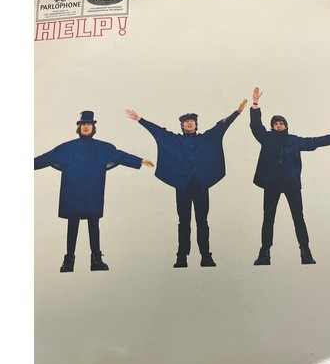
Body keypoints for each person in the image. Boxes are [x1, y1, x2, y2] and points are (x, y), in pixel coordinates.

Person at [126, 99, 247, 268]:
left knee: (202, 221)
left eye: (192, 121)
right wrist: (140, 119)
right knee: (183, 221)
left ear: (196, 124)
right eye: (186, 121)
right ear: (182, 126)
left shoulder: (206, 138)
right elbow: (157, 132)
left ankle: (206, 256)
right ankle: (181, 257)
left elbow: (221, 126)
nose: (189, 123)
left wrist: (237, 112)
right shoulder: (175, 140)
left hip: (201, 184)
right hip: (182, 185)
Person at [34, 111, 154, 272]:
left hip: (93, 190)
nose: (86, 126)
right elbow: (47, 157)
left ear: (93, 128)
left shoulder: (103, 147)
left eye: (89, 124)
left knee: (93, 223)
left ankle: (96, 260)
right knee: (73, 223)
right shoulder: (67, 147)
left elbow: (120, 156)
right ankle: (69, 260)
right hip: (72, 191)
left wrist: (140, 161)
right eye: (83, 124)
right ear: (78, 127)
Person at [250, 87, 330, 265]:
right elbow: (255, 126)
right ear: (272, 127)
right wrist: (255, 104)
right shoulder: (267, 138)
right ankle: (264, 253)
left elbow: (314, 142)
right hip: (272, 184)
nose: (278, 125)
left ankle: (305, 252)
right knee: (268, 218)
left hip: (291, 184)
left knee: (298, 217)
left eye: (281, 123)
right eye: (275, 123)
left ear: (286, 126)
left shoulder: (294, 140)